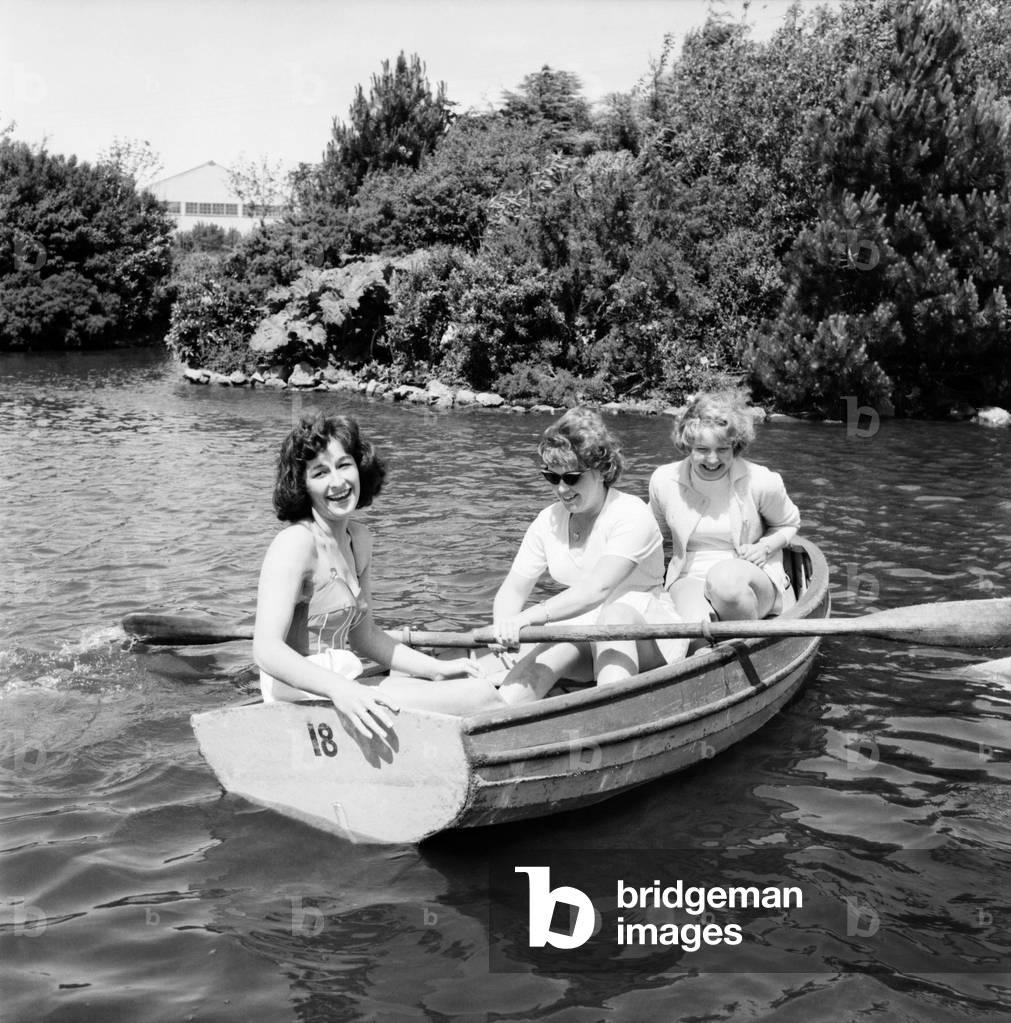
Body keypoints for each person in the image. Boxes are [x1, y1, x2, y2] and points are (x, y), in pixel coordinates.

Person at [253, 412, 499, 739]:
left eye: (344, 465)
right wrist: (342, 691)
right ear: (303, 485)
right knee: (482, 697)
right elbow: (266, 650)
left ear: (360, 467)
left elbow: (364, 636)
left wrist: (437, 670)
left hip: (343, 681)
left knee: (468, 683)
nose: (338, 483)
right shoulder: (295, 544)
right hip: (304, 694)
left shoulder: (359, 540)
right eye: (320, 472)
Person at [488, 407, 689, 704]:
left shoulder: (631, 514)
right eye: (550, 477)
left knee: (614, 619)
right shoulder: (548, 520)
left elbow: (596, 590)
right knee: (549, 654)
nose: (561, 489)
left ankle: (610, 713)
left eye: (571, 478)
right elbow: (515, 588)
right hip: (580, 630)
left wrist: (527, 618)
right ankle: (495, 713)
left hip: (648, 637)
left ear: (601, 470)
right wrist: (503, 629)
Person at [648, 390, 801, 628]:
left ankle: (749, 642)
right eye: (702, 449)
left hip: (751, 576)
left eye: (722, 450)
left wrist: (764, 546)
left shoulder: (761, 480)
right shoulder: (663, 480)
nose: (712, 460)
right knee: (692, 628)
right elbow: (652, 535)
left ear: (735, 447)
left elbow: (788, 523)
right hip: (689, 578)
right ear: (688, 445)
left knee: (725, 582)